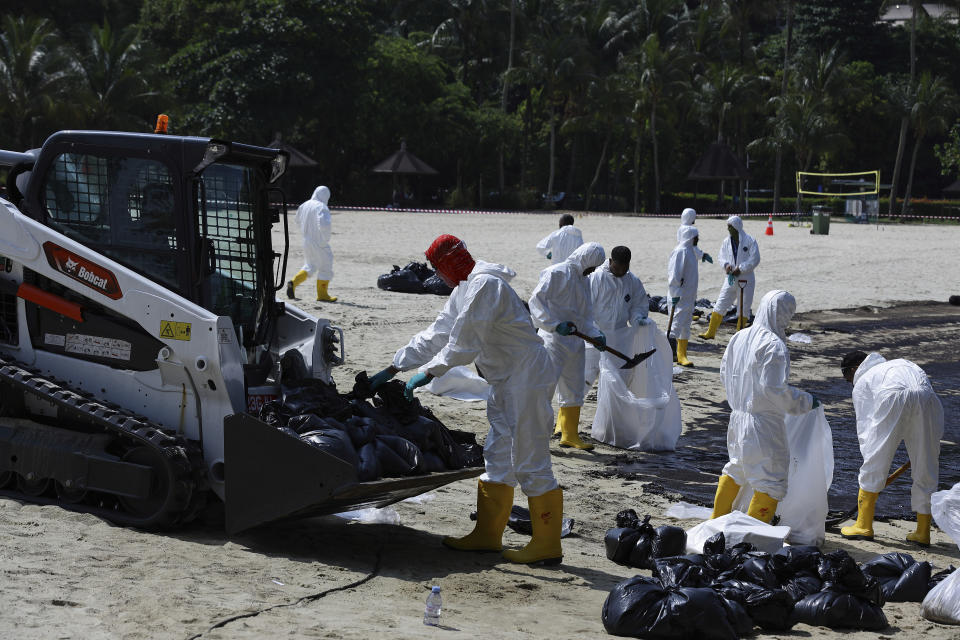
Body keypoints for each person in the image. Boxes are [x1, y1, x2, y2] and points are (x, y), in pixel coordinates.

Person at [365, 235, 564, 565]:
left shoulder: (486, 287)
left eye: (437, 268)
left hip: (526, 376)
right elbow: (438, 332)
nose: (436, 275)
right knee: (498, 455)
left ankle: (547, 544)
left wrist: (428, 373)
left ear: (448, 265)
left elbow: (463, 343)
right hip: (504, 380)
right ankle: (487, 535)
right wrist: (394, 366)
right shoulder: (464, 290)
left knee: (530, 457)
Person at [710, 290, 818, 523]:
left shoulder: (739, 337)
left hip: (737, 418)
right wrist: (804, 401)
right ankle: (754, 535)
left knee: (737, 468)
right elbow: (774, 390)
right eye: (788, 314)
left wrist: (740, 399)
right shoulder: (774, 346)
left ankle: (715, 522)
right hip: (763, 422)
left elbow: (724, 373)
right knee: (771, 478)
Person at [839, 351, 944, 545]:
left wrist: (873, 470)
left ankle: (863, 525)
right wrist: (926, 445)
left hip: (892, 395)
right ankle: (922, 532)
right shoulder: (900, 363)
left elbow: (866, 431)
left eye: (847, 378)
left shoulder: (863, 381)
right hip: (926, 396)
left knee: (874, 459)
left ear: (854, 369)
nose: (850, 382)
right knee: (926, 467)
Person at [529, 242, 607, 450]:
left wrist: (596, 335)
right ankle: (537, 436)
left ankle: (570, 435)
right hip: (552, 340)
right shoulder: (556, 273)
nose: (592, 271)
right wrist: (554, 325)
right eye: (592, 266)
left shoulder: (584, 281)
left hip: (575, 341)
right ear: (584, 258)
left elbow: (586, 317)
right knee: (545, 387)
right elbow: (535, 302)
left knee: (573, 388)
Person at [584, 245, 652, 390]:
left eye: (625, 268)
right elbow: (584, 307)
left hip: (618, 339)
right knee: (585, 378)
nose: (621, 271)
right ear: (611, 261)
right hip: (593, 337)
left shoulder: (633, 281)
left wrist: (637, 318)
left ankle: (611, 411)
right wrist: (592, 332)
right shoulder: (597, 277)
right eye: (617, 267)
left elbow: (638, 305)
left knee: (616, 381)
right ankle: (570, 410)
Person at [699, 215, 760, 340]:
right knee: (721, 303)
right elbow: (721, 256)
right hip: (730, 279)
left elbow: (755, 259)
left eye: (730, 226)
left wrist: (741, 268)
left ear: (736, 227)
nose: (728, 229)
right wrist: (726, 265)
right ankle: (711, 332)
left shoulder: (750, 240)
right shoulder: (726, 242)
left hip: (745, 279)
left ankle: (739, 336)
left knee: (743, 308)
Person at [286, 186, 337, 302]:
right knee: (326, 266)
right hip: (319, 241)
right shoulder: (322, 207)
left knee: (310, 265)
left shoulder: (304, 205)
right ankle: (322, 294)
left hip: (306, 241)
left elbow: (297, 220)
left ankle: (293, 283)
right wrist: (325, 238)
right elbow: (324, 225)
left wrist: (306, 231)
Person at [666, 226, 700, 367]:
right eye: (696, 236)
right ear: (690, 237)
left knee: (686, 325)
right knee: (675, 325)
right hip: (679, 296)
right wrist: (674, 293)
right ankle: (669, 354)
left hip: (689, 295)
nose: (698, 239)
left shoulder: (691, 251)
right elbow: (674, 275)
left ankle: (682, 355)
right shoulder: (680, 252)